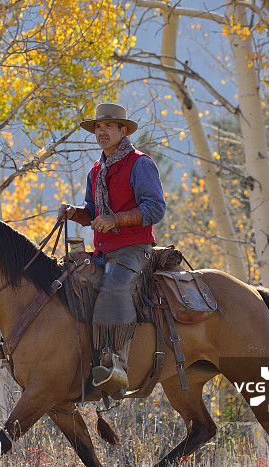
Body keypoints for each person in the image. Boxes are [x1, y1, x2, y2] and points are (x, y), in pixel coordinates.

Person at [59, 103, 165, 398]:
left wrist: (115, 220)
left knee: (114, 288)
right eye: (97, 127)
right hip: (103, 251)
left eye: (108, 126)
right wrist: (74, 213)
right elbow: (93, 213)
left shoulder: (140, 163)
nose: (101, 131)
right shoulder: (96, 170)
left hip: (134, 249)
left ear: (123, 130)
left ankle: (115, 365)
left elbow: (155, 208)